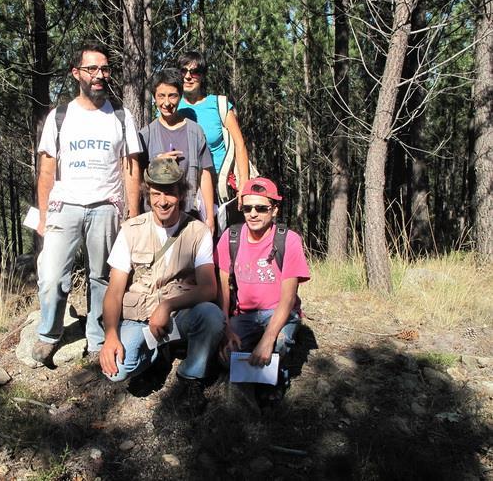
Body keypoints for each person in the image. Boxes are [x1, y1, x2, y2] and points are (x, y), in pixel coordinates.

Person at [33, 41, 142, 366]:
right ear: (76, 73)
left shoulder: (120, 117)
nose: (99, 75)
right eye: (92, 68)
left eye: (104, 69)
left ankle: (97, 338)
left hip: (107, 206)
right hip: (63, 207)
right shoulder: (60, 117)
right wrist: (41, 215)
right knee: (52, 275)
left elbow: (131, 167)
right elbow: (47, 169)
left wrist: (132, 215)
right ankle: (48, 333)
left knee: (102, 277)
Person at [100, 157, 225, 412]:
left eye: (170, 192)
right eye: (157, 193)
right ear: (148, 194)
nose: (163, 201)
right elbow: (114, 292)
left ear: (181, 194)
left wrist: (167, 306)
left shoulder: (198, 231)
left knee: (212, 315)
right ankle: (157, 356)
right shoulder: (131, 230)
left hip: (177, 317)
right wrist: (111, 335)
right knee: (116, 371)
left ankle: (192, 376)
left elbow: (209, 288)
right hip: (138, 319)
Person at [215, 177, 310, 393]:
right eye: (247, 208)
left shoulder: (289, 241)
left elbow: (288, 298)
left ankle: (275, 380)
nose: (253, 214)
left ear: (274, 210)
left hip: (280, 312)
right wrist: (226, 327)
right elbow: (222, 289)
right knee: (225, 356)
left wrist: (268, 339)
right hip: (244, 315)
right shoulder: (231, 237)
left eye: (261, 208)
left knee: (278, 345)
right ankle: (254, 379)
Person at [138, 68, 216, 235]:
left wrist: (210, 217)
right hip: (156, 221)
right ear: (154, 97)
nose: (167, 103)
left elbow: (205, 174)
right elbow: (137, 180)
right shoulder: (146, 135)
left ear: (180, 96)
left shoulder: (195, 132)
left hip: (189, 217)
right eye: (161, 96)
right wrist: (157, 164)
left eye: (172, 95)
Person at [177, 50, 250, 203]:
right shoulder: (171, 105)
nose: (188, 76)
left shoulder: (219, 105)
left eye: (194, 72)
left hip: (218, 186)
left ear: (202, 76)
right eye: (183, 71)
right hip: (182, 186)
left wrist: (244, 183)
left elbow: (239, 144)